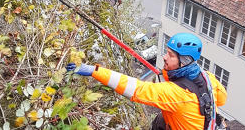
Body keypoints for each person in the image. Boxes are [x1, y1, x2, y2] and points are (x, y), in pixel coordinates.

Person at [67, 33, 228, 130]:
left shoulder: (175, 94)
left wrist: (95, 71)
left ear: (184, 61)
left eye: (171, 55)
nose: (165, 57)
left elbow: (136, 89)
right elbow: (222, 99)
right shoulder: (207, 77)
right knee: (161, 119)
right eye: (167, 52)